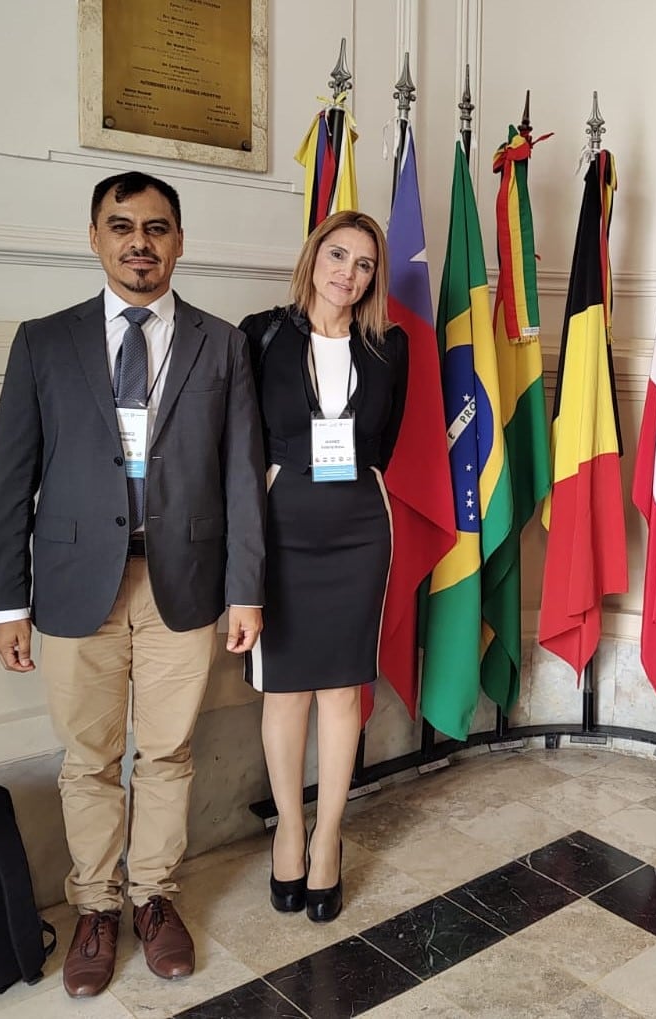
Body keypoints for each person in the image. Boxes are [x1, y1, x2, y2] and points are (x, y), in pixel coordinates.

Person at [0, 171, 265, 997]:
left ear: (180, 240)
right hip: (75, 587)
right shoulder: (43, 341)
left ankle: (154, 897)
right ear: (95, 237)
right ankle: (96, 907)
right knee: (90, 757)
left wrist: (245, 590)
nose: (140, 241)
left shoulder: (222, 344)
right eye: (122, 225)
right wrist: (9, 601)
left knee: (171, 749)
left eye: (157, 227)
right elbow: (11, 478)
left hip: (184, 582)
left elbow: (244, 479)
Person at [237, 210, 408, 924]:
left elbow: (386, 441)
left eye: (364, 263)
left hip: (361, 529)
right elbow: (239, 446)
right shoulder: (261, 334)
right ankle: (289, 824)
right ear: (313, 256)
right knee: (286, 692)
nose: (348, 272)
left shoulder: (387, 347)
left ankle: (329, 835)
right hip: (280, 526)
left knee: (342, 691)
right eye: (337, 254)